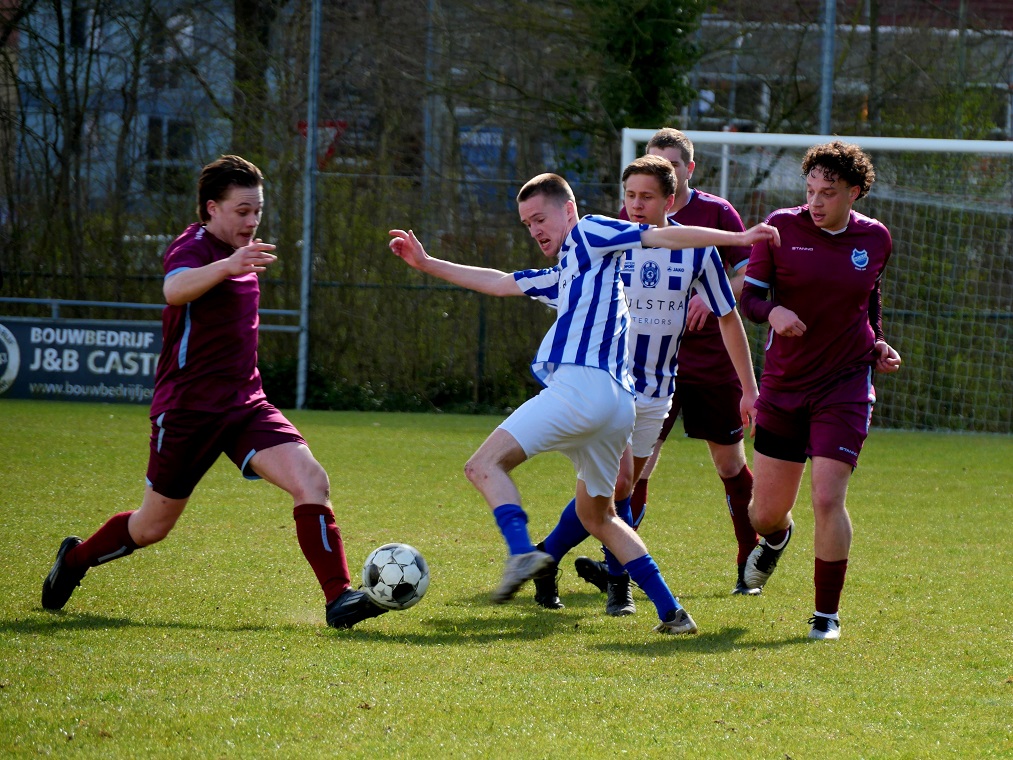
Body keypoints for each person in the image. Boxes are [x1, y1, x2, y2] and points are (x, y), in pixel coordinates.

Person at [389, 170, 779, 635]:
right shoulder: (568, 274)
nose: (534, 230)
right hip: (619, 403)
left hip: (582, 390)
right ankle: (672, 612)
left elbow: (663, 235)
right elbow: (499, 281)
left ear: (568, 210)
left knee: (482, 466)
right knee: (601, 514)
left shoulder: (591, 231)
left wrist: (740, 236)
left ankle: (521, 552)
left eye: (540, 218)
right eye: (526, 224)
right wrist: (428, 262)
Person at [41, 155, 385, 630]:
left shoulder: (242, 255)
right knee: (152, 527)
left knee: (313, 482)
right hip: (186, 411)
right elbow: (174, 289)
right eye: (242, 210)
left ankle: (338, 598)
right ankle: (76, 560)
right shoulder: (195, 246)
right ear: (211, 208)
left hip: (246, 406)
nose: (252, 220)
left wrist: (235, 263)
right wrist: (227, 265)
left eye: (257, 210)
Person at [531, 154, 760, 616]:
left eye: (646, 196)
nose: (635, 204)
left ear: (669, 200)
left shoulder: (696, 249)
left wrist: (749, 388)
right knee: (615, 486)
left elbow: (729, 319)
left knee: (618, 490)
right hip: (607, 383)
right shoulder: (608, 241)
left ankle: (545, 557)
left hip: (658, 389)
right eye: (630, 195)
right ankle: (620, 586)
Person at [738, 140, 902, 640]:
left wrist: (876, 344)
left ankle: (825, 616)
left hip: (846, 383)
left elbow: (867, 300)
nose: (815, 200)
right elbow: (751, 297)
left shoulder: (876, 239)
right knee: (764, 514)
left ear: (854, 192)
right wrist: (774, 312)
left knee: (828, 497)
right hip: (786, 386)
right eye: (810, 189)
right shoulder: (781, 228)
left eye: (828, 192)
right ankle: (776, 538)